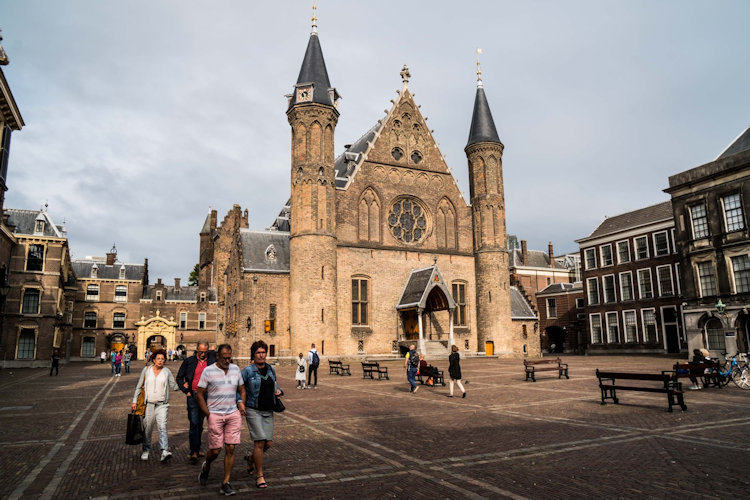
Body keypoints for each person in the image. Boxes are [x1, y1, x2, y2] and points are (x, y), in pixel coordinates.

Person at [197, 344, 246, 496]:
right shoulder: (208, 371)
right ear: (217, 356)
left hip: (232, 413)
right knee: (216, 450)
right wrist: (208, 413)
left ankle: (226, 482)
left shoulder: (235, 369)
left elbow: (242, 389)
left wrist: (241, 402)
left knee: (231, 447)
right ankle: (207, 466)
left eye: (229, 357)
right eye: (224, 357)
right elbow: (199, 394)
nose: (227, 360)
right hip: (215, 414)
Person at [242, 340, 282, 489]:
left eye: (263, 352)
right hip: (253, 409)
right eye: (258, 352)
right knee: (259, 442)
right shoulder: (247, 371)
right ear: (253, 355)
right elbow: (240, 388)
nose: (261, 355)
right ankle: (260, 475)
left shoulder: (271, 369)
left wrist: (279, 391)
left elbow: (275, 384)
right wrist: (240, 403)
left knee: (268, 443)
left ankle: (251, 459)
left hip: (268, 410)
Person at [131, 349, 179, 461]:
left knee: (162, 426)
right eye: (158, 359)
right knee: (148, 428)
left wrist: (185, 385)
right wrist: (134, 401)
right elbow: (139, 386)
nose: (160, 361)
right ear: (153, 359)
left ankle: (164, 451)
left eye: (162, 359)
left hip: (162, 404)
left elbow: (174, 385)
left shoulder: (167, 372)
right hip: (148, 404)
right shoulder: (146, 370)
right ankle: (146, 449)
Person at [176, 341, 217, 463]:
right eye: (201, 352)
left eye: (205, 352)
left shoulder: (212, 361)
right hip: (193, 395)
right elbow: (179, 377)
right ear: (197, 350)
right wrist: (185, 390)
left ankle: (197, 448)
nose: (203, 354)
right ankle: (193, 451)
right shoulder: (189, 361)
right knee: (194, 423)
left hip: (207, 396)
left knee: (200, 423)